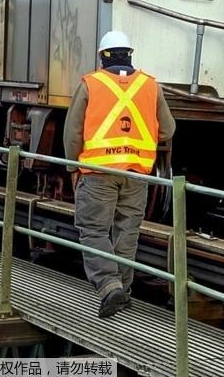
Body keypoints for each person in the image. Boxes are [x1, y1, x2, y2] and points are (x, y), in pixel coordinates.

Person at [64, 30, 176, 318]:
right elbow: (168, 130)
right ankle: (123, 291)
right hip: (137, 175)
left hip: (98, 173)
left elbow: (73, 133)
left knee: (94, 230)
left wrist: (72, 166)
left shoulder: (91, 83)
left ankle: (109, 285)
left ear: (103, 57)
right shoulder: (150, 86)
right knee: (127, 233)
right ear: (130, 54)